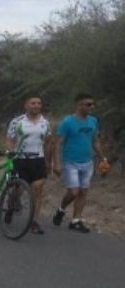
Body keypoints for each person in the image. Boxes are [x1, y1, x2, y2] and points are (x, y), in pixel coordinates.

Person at [51, 93, 105, 233]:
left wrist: (102, 157)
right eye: (88, 104)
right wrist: (56, 163)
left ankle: (76, 220)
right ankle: (61, 209)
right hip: (70, 162)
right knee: (74, 191)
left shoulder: (93, 121)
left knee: (83, 191)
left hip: (87, 161)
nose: (91, 107)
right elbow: (58, 143)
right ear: (78, 105)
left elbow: (95, 140)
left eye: (93, 104)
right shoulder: (67, 122)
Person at [7, 97, 51, 234]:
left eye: (39, 103)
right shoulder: (17, 121)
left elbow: (48, 142)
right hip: (20, 158)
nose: (36, 105)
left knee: (38, 190)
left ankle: (34, 221)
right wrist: (10, 152)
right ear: (26, 105)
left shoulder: (45, 122)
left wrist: (49, 161)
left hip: (38, 159)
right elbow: (10, 138)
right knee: (18, 189)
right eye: (33, 103)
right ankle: (11, 204)